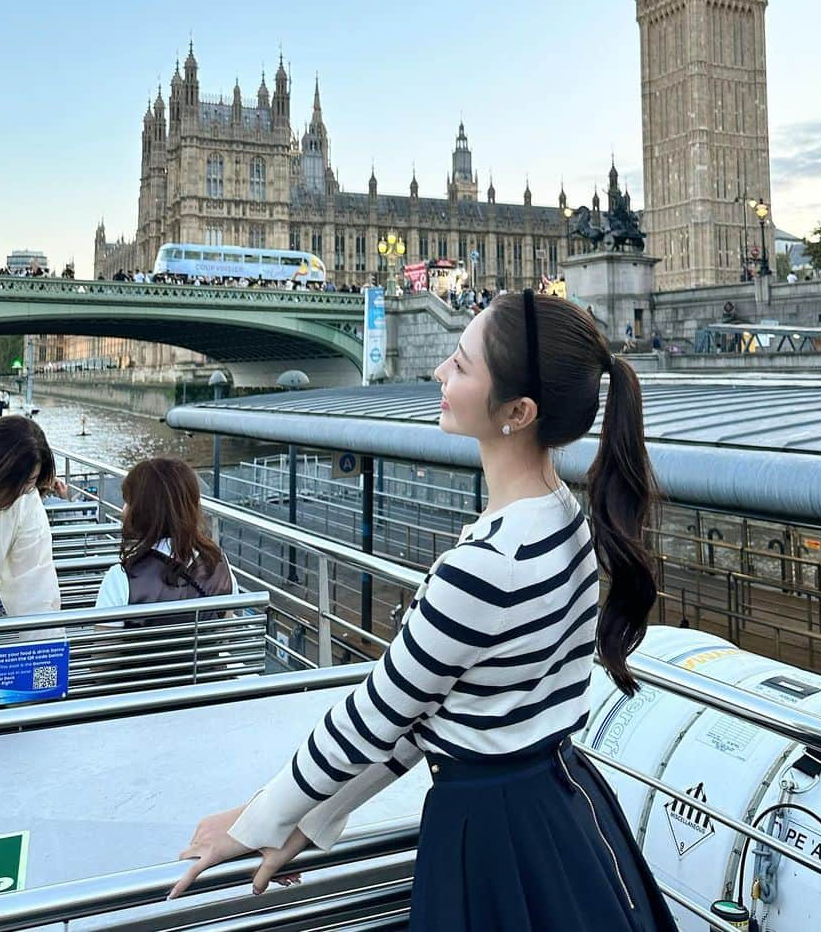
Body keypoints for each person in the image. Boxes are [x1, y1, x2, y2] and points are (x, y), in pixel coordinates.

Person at [169, 290, 678, 930]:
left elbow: (371, 718)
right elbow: (433, 713)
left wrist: (249, 825)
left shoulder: (486, 564)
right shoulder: (565, 521)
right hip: (565, 813)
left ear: (517, 411)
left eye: (461, 365)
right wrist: (312, 818)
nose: (440, 372)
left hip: (491, 839)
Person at [95, 458, 235, 610]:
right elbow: (227, 628)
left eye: (128, 502)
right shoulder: (220, 568)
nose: (123, 510)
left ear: (144, 511)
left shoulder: (121, 579)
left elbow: (103, 633)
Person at [0, 415, 61, 620]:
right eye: (18, 483)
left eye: (31, 482)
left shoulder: (26, 500)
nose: (24, 491)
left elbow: (36, 584)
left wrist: (47, 649)